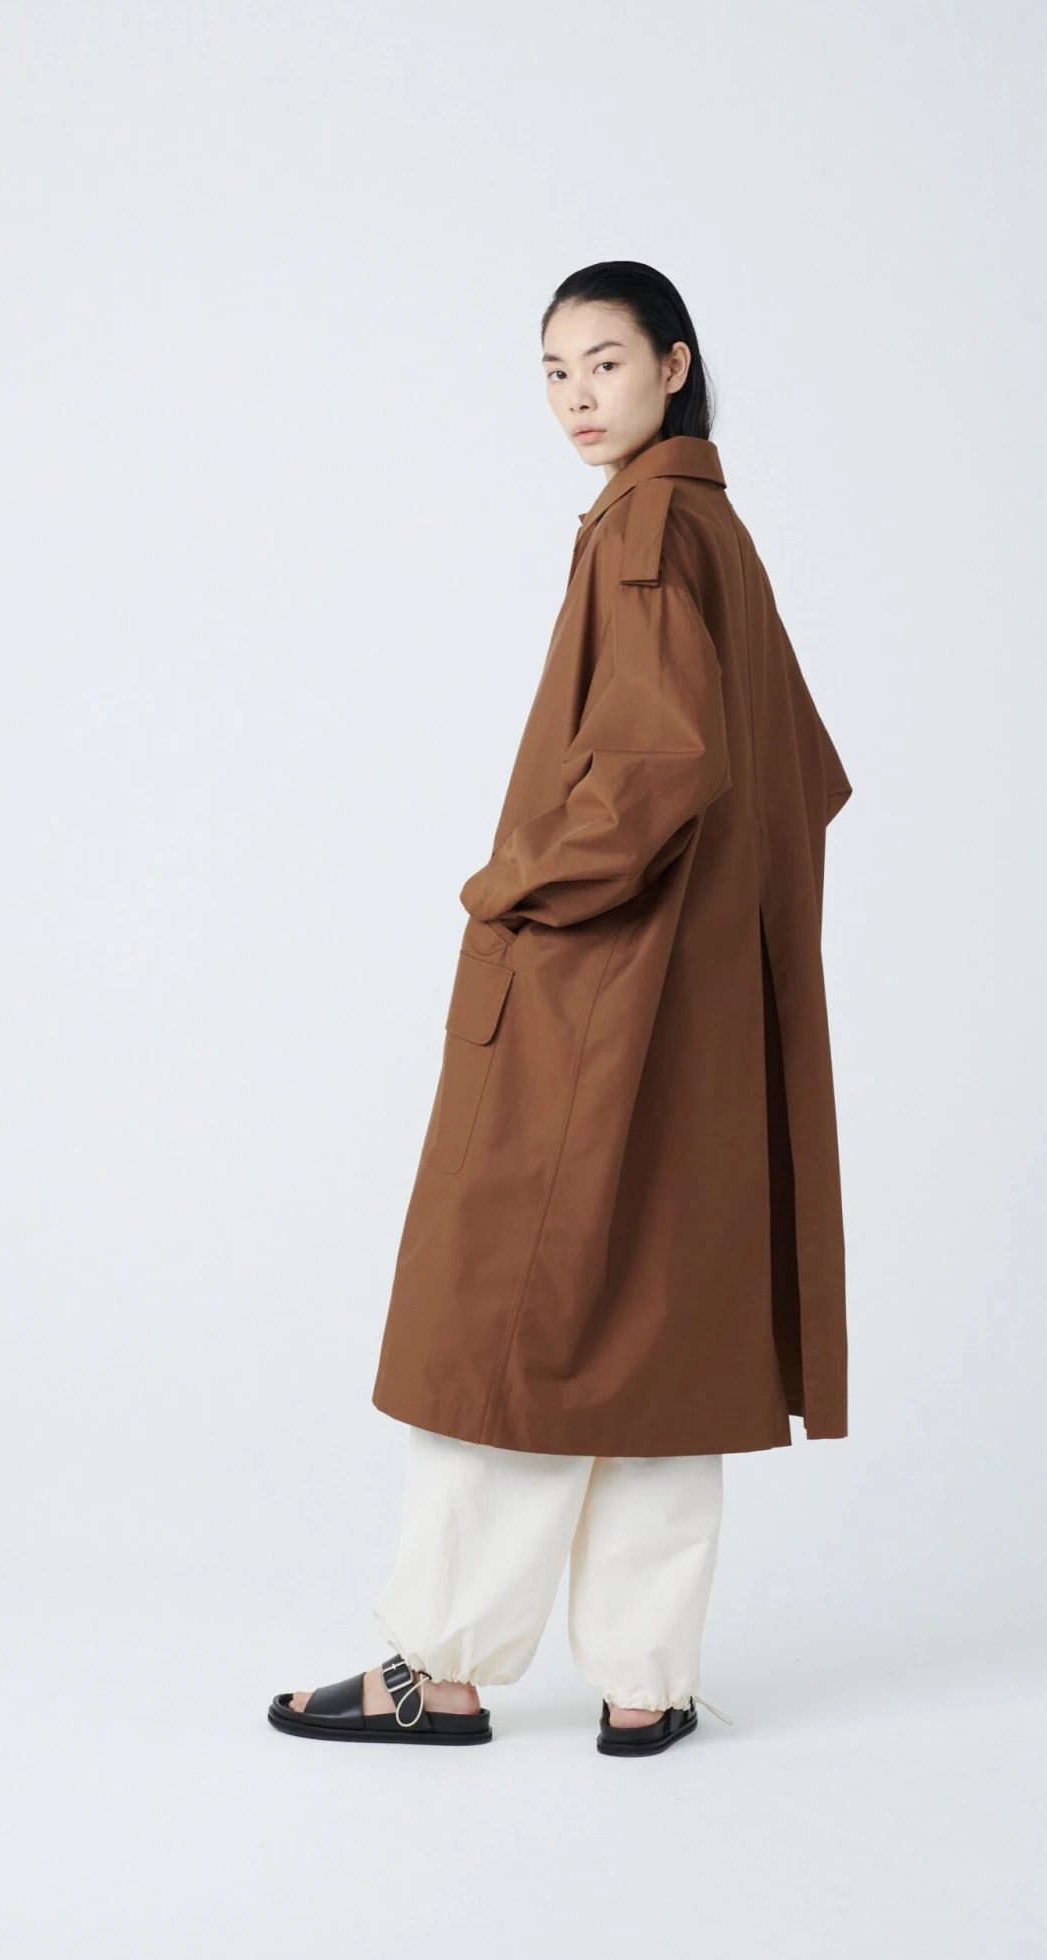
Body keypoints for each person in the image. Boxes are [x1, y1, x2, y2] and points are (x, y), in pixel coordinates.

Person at [268, 260, 853, 1759]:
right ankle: (648, 1687)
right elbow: (803, 774)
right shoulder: (715, 527)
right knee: (661, 1331)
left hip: (608, 991)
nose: (577, 397)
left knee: (509, 1322)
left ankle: (438, 1672)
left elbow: (661, 767)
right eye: (553, 371)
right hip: (700, 1011)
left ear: (675, 365)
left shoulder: (647, 526)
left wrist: (510, 888)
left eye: (604, 363)